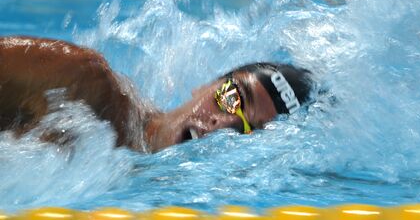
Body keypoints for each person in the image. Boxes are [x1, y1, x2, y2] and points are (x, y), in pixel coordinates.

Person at [0, 36, 312, 152]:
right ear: (205, 85)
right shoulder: (82, 82)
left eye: (248, 130)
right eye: (234, 98)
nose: (223, 124)